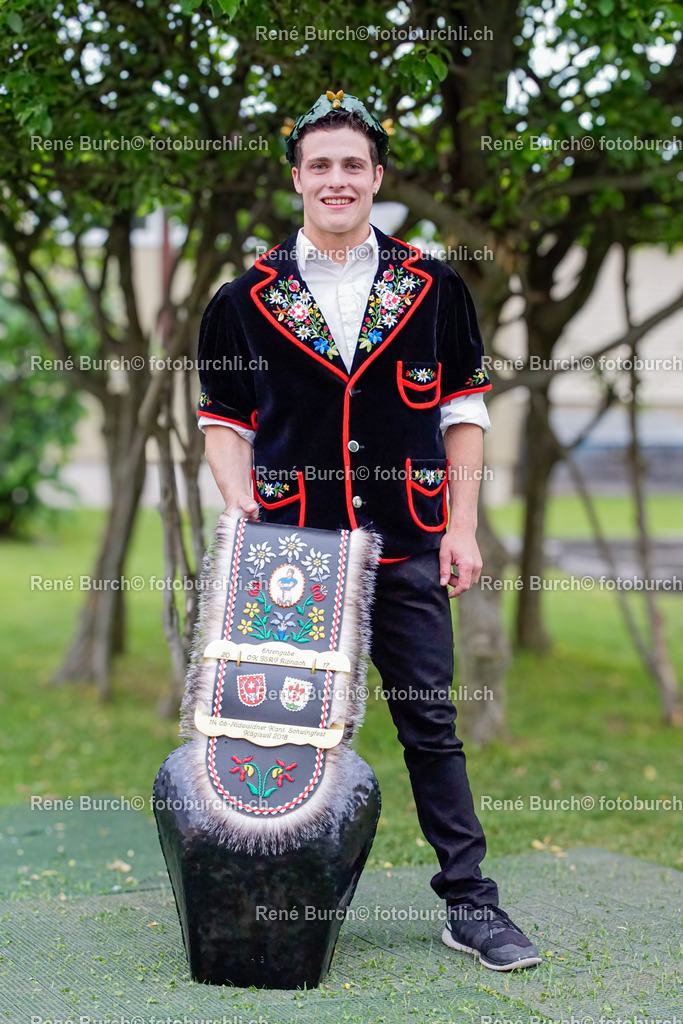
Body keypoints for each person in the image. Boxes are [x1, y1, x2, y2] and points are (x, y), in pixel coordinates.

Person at [196, 89, 541, 972]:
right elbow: (223, 424)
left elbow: (462, 410)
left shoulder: (433, 287)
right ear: (298, 179)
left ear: (377, 177)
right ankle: (265, 894)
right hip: (292, 554)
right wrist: (245, 523)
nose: (337, 179)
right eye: (321, 165)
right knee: (275, 727)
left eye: (354, 165)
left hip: (406, 540)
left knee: (429, 722)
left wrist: (461, 528)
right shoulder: (243, 298)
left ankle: (470, 904)